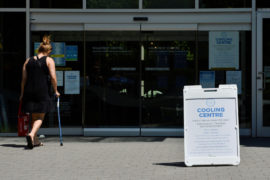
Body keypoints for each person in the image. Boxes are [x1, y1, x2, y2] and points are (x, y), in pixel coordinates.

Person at [19, 35, 60, 149]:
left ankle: (35, 140)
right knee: (40, 117)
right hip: (42, 91)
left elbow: (23, 80)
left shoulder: (28, 61)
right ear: (48, 50)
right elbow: (53, 77)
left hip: (29, 91)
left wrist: (22, 94)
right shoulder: (49, 60)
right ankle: (31, 134)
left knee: (33, 116)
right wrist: (56, 90)